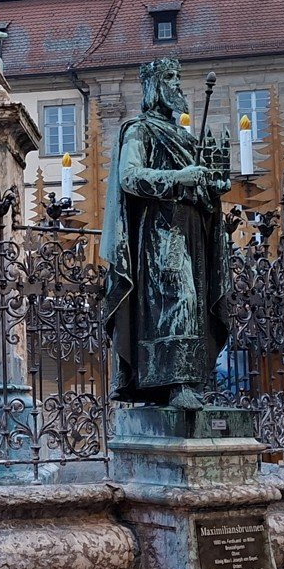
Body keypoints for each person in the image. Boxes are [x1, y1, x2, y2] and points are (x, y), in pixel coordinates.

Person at [100, 59, 231, 409]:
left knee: (195, 304)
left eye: (178, 77)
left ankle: (180, 381)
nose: (176, 84)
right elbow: (129, 177)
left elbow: (199, 191)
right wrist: (178, 178)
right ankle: (175, 384)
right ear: (153, 87)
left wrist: (212, 187)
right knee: (178, 299)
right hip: (160, 231)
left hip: (191, 231)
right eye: (169, 77)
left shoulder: (185, 138)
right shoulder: (139, 130)